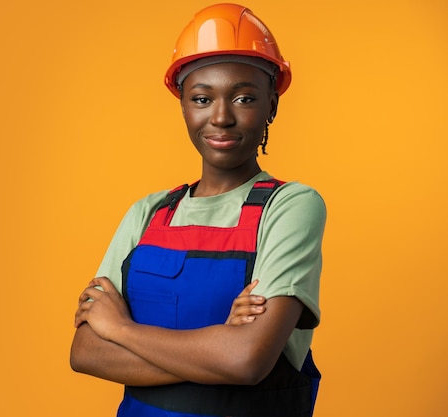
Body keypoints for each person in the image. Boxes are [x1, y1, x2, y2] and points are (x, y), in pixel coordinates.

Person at [70, 3, 326, 417]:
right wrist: (218, 346)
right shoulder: (146, 214)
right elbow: (85, 351)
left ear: (271, 106)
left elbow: (247, 361)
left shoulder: (290, 206)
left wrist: (120, 330)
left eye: (244, 97)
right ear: (185, 107)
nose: (221, 117)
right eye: (202, 98)